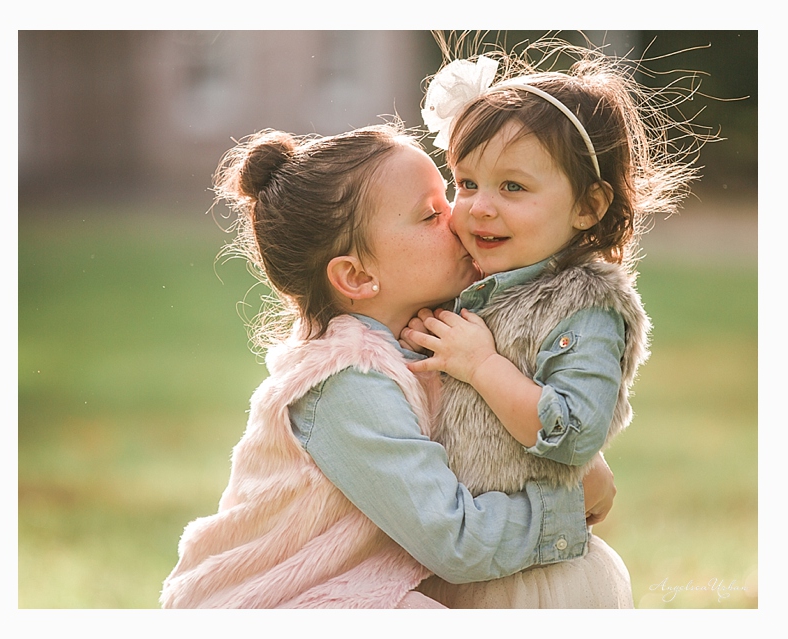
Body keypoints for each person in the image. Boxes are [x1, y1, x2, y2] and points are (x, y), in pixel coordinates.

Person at [159, 122, 618, 609]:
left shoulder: (440, 333)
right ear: (357, 276)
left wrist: (575, 458)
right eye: (429, 215)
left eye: (449, 196)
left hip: (362, 586)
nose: (460, 218)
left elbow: (492, 428)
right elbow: (455, 540)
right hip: (273, 603)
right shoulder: (346, 384)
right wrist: (565, 507)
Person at [402, 43, 701, 608]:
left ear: (588, 207)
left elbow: (571, 432)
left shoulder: (585, 307)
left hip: (529, 578)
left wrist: (481, 364)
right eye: (465, 183)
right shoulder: (468, 280)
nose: (479, 207)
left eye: (512, 187)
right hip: (457, 546)